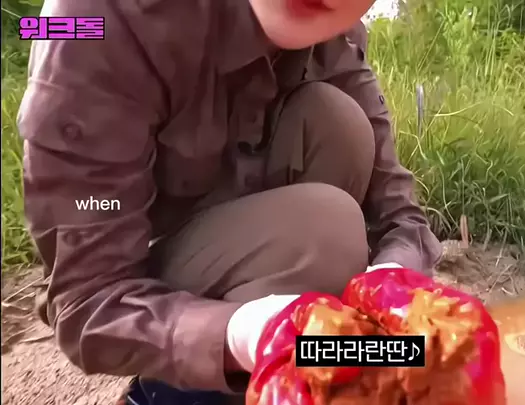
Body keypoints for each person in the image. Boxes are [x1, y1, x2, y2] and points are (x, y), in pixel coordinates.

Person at [18, 0, 442, 403]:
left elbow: (398, 213)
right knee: (330, 234)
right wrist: (237, 335)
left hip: (240, 238)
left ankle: (303, 364)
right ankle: (176, 394)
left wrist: (392, 280)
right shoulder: (95, 21)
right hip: (144, 277)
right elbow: (87, 299)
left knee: (339, 125)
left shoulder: (333, 27)